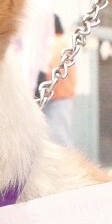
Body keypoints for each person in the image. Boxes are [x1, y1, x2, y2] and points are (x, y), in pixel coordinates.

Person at [8, 0, 55, 98]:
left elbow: (32, 50)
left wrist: (26, 93)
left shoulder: (32, 2)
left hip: (27, 80)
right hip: (24, 78)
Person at [42, 15, 77, 147]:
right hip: (60, 98)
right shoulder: (62, 43)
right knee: (59, 137)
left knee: (60, 139)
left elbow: (53, 72)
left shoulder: (56, 43)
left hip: (57, 99)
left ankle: (73, 167)